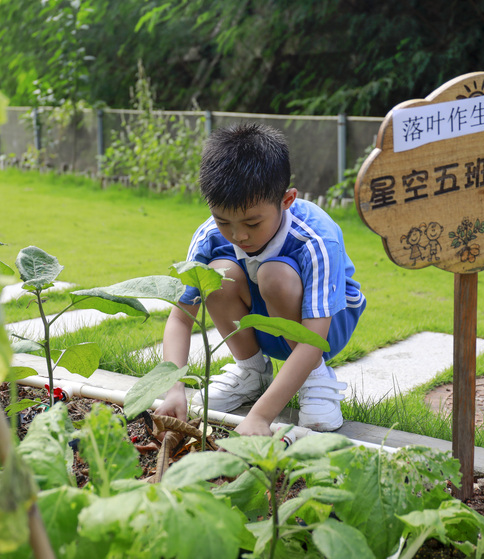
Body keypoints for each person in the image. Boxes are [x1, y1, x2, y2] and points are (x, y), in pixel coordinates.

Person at [156, 123, 366, 436]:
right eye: (223, 221)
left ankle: (316, 379)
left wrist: (259, 417)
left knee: (274, 274)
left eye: (253, 222)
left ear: (287, 200)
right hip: (262, 320)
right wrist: (173, 388)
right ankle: (251, 372)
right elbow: (181, 318)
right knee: (217, 274)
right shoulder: (209, 237)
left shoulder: (316, 238)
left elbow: (313, 340)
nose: (238, 235)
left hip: (323, 329)